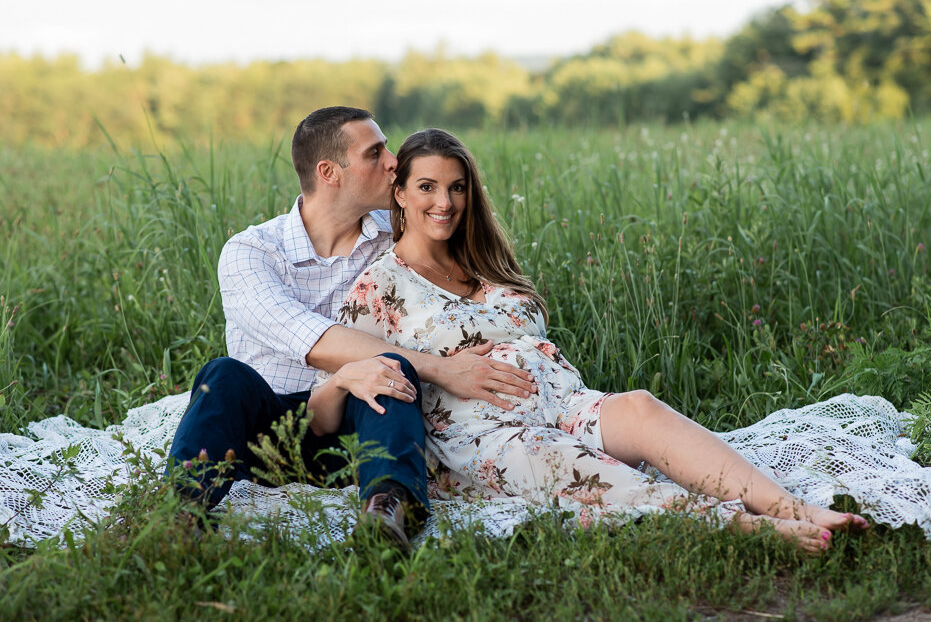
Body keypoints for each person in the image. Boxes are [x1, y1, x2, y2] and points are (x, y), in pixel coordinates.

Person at [320, 128, 870, 552]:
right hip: (479, 434)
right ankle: (745, 527)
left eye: (457, 187)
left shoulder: (481, 262)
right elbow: (343, 388)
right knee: (597, 473)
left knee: (641, 408)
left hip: (563, 400)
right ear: (399, 193)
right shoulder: (378, 286)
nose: (445, 202)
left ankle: (792, 507)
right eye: (427, 187)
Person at [167, 108, 536, 550]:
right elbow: (313, 340)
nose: (393, 161)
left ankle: (387, 510)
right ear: (329, 172)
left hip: (358, 427)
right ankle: (180, 514)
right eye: (375, 153)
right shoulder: (252, 253)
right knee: (221, 375)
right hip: (267, 429)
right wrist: (442, 368)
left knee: (387, 369)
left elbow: (466, 259)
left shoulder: (394, 236)